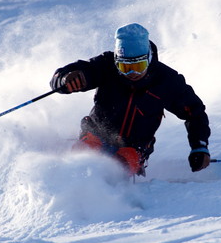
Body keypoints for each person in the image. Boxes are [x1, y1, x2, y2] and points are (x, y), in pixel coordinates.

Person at [50, 23, 211, 176]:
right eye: (125, 68)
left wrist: (199, 147)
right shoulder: (106, 66)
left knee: (120, 165)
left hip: (134, 146)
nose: (132, 74)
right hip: (96, 134)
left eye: (138, 66)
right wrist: (65, 80)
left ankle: (111, 198)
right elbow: (62, 76)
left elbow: (194, 113)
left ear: (149, 58)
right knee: (85, 153)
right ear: (117, 62)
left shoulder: (166, 81)